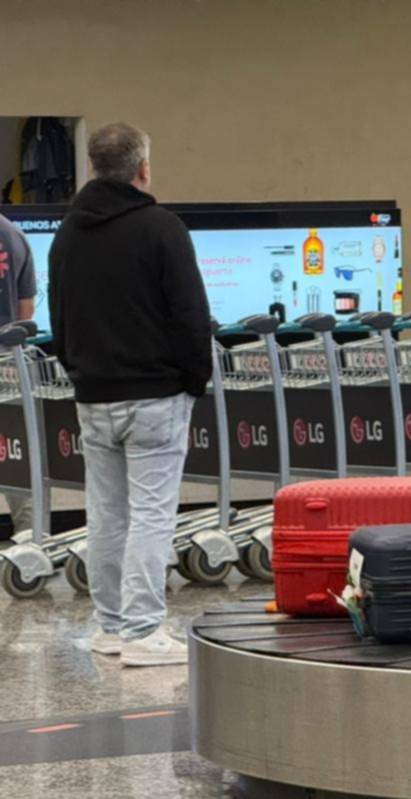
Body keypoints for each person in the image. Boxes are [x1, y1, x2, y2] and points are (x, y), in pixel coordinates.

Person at [48, 122, 211, 667]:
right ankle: (144, 632)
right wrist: (194, 380)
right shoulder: (162, 228)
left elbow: (59, 317)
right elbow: (190, 314)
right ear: (143, 168)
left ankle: (111, 626)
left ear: (94, 167)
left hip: (93, 395)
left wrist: (80, 372)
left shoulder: (68, 234)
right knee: (151, 515)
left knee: (107, 514)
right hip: (156, 396)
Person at [0, 212, 37, 535]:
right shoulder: (14, 235)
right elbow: (26, 309)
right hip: (8, 362)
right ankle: (30, 537)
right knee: (14, 451)